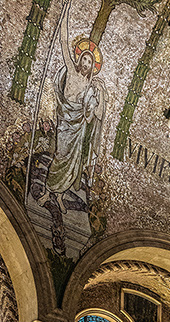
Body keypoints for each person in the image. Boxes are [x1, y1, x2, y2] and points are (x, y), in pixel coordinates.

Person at [38, 2, 106, 213]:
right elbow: (64, 41)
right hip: (66, 122)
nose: (85, 63)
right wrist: (65, 12)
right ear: (79, 59)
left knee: (73, 163)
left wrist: (96, 98)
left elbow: (90, 114)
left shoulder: (90, 85)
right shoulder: (71, 70)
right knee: (60, 156)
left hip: (78, 128)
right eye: (84, 59)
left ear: (92, 67)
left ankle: (59, 196)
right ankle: (48, 191)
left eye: (89, 62)